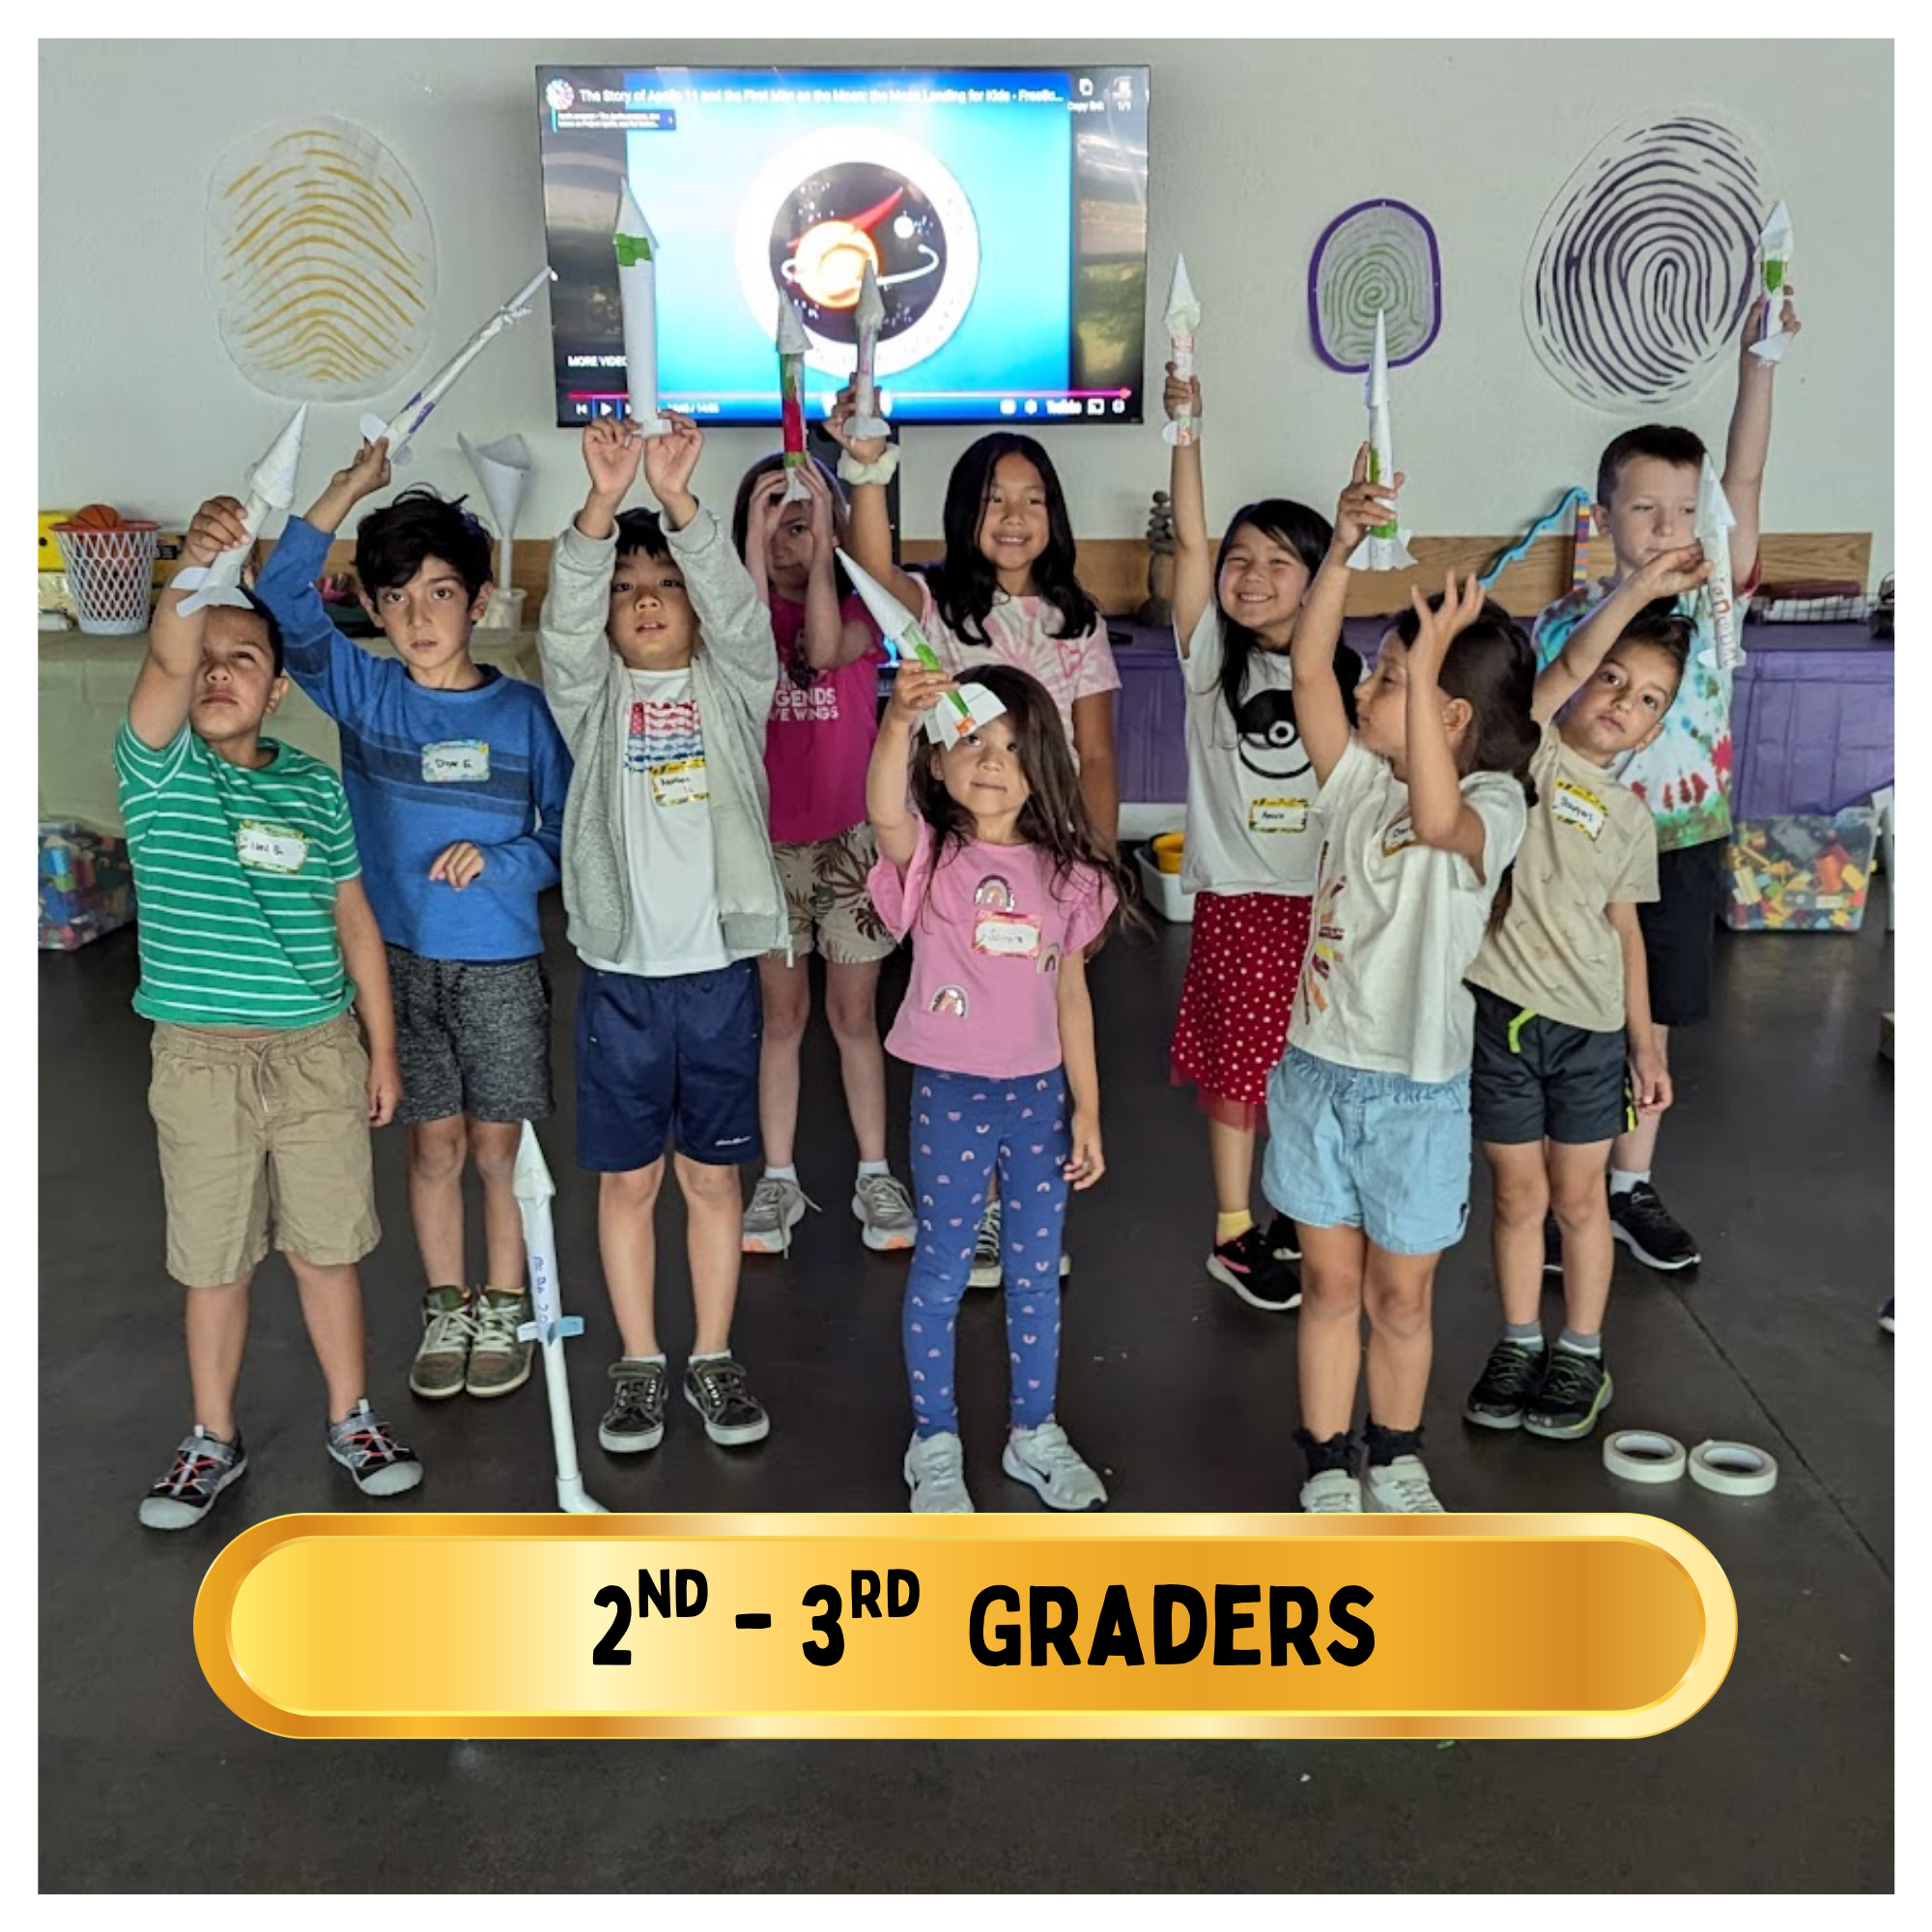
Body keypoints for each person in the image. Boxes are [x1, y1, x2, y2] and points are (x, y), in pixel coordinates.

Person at [123, 505, 421, 1529]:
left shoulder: (309, 784)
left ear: (276, 686)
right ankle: (211, 1435)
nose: (215, 673)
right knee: (213, 1259)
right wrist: (199, 570)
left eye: (241, 657)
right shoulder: (159, 772)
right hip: (202, 1060)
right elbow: (165, 659)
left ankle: (354, 1416)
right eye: (205, 657)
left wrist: (381, 1049)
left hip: (316, 1053)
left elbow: (354, 920)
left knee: (325, 1248)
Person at [255, 455, 571, 1406]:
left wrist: (505, 862)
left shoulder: (522, 713)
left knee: (494, 1148)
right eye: (397, 597)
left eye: (441, 591)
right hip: (396, 966)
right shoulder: (366, 693)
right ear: (374, 609)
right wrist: (349, 488)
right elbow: (278, 587)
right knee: (430, 1143)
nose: (420, 615)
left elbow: (561, 834)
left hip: (502, 964)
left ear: (478, 600)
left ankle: (504, 1302)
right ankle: (447, 1302)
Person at [1262, 450, 1537, 1514]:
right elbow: (1303, 666)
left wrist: (1419, 677)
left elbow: (1438, 820)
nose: (1365, 687)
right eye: (1379, 673)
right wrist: (1338, 547)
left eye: (1387, 677)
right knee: (1329, 1287)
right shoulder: (1349, 789)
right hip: (1318, 1075)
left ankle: (1398, 1449)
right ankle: (1327, 1459)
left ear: (1448, 714)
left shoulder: (1492, 810)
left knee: (1400, 1294)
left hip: (1414, 1096)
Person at [1531, 289, 1802, 1273]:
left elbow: (1747, 469)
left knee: (1657, 1022)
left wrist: (1757, 363)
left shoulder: (1717, 596)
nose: (1665, 525)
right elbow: (1559, 711)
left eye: (1683, 510)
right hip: (1576, 857)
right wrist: (1633, 593)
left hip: (1680, 847)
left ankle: (1625, 1186)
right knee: (1582, 1019)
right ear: (1602, 516)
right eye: (1643, 508)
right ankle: (1569, 1196)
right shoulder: (1566, 619)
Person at [824, 404, 1120, 1291]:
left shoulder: (1078, 621)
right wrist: (867, 470)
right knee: (968, 1025)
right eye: (995, 500)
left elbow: (1096, 752)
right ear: (965, 514)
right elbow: (872, 569)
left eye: (1032, 499)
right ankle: (974, 1214)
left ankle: (1023, 1210)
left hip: (1047, 858)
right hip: (959, 859)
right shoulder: (939, 604)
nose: (1016, 516)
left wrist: (1094, 868)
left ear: (1054, 515)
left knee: (1034, 1030)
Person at [536, 414, 786, 1456]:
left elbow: (738, 612)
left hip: (716, 977)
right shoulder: (589, 698)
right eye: (623, 583)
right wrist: (598, 505)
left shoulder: (734, 687)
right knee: (628, 1179)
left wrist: (684, 504)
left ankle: (713, 1354)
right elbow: (558, 631)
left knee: (711, 1178)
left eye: (664, 580)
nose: (644, 596)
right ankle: (640, 1359)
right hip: (624, 983)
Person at [866, 661, 1131, 1512]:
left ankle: (1033, 1431)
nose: (990, 759)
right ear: (940, 758)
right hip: (951, 1089)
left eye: (1013, 746)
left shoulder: (1068, 875)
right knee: (942, 1268)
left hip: (1039, 1097)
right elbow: (881, 810)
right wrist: (898, 723)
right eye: (973, 739)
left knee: (1031, 1271)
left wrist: (1088, 1106)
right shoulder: (932, 854)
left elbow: (1071, 995)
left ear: (1042, 763)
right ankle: (932, 1441)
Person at [1161, 360, 1362, 1314]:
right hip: (1243, 904)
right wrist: (1185, 428)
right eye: (1241, 560)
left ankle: (1282, 1207)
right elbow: (1191, 539)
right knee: (1238, 1070)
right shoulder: (1208, 664)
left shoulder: (1342, 683)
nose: (1249, 576)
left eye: (1279, 561)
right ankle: (1230, 1230)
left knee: (1304, 1066)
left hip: (1322, 909)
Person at [1463, 606, 1690, 1441]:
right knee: (1517, 1198)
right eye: (1612, 680)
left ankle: (1581, 1352)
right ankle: (1521, 1342)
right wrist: (1638, 590)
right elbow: (1542, 690)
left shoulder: (1632, 818)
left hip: (1590, 1036)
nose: (1623, 703)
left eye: (1648, 700)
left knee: (1580, 1198)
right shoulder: (1533, 754)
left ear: (1657, 727)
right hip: (1500, 1019)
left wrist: (1644, 1044)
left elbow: (1626, 932)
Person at [728, 453, 916, 1257]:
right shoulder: (735, 623)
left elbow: (824, 645)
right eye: (771, 521)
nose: (784, 539)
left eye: (802, 522)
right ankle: (777, 1177)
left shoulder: (859, 612)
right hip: (767, 849)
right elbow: (745, 653)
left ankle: (874, 1170)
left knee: (851, 1017)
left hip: (851, 845)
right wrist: (754, 539)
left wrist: (826, 547)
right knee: (782, 1017)